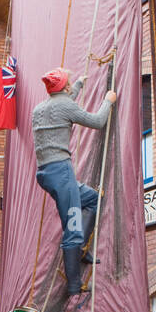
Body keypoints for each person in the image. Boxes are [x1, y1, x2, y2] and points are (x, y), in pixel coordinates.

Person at [31, 67, 116, 295]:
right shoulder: (65, 105)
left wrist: (77, 85)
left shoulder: (39, 109)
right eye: (69, 85)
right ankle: (74, 286)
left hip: (47, 174)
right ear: (65, 87)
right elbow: (98, 121)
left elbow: (63, 107)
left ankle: (79, 251)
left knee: (93, 200)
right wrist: (108, 101)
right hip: (61, 172)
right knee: (73, 228)